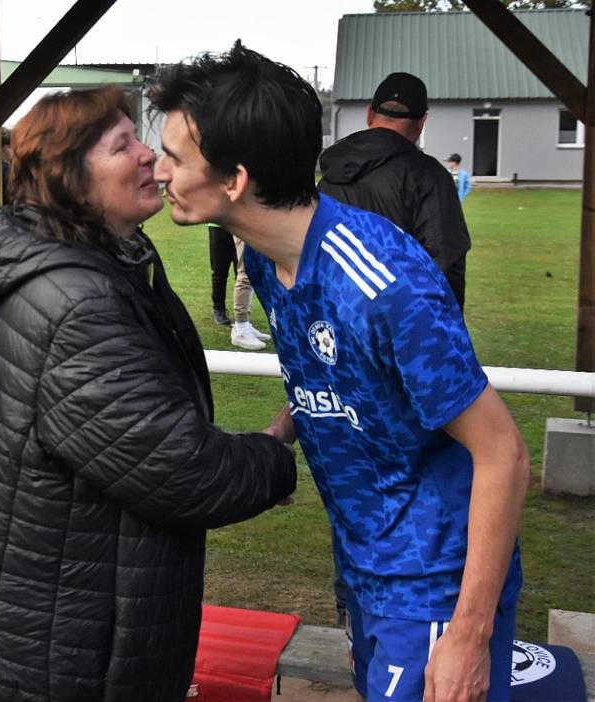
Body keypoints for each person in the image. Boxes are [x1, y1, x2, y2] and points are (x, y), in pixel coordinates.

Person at [150, 42, 529, 702]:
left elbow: (504, 453)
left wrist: (467, 635)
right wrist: (274, 438)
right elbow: (331, 373)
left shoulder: (386, 284)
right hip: (362, 562)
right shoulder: (268, 263)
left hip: (432, 579)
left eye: (175, 158)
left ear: (234, 181)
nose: (158, 171)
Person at [0, 86, 297, 702]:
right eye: (122, 145)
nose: (150, 157)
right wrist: (271, 453)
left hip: (53, 620)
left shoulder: (104, 262)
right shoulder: (76, 301)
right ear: (69, 176)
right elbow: (178, 470)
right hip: (59, 650)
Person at [317, 72, 470, 311]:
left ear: (370, 114)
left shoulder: (328, 177)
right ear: (421, 122)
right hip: (398, 326)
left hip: (334, 320)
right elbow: (446, 263)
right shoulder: (429, 177)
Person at [208, 223, 271, 350]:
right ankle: (240, 327)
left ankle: (244, 325)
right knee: (242, 273)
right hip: (238, 224)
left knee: (247, 273)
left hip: (245, 224)